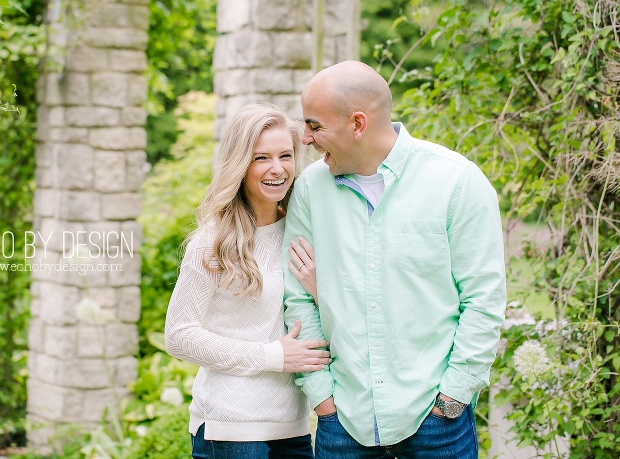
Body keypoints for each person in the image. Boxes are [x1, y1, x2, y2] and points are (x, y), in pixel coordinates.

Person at [282, 60, 507, 459]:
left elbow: (483, 300)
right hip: (343, 423)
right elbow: (298, 299)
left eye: (315, 126)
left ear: (357, 123)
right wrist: (323, 400)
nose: (305, 139)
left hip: (438, 423)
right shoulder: (310, 190)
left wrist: (452, 398)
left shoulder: (457, 182)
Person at [165, 103, 331, 459]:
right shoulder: (212, 243)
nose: (277, 169)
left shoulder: (301, 232)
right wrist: (271, 355)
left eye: (285, 155)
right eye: (261, 158)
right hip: (232, 429)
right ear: (240, 165)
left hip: (295, 426)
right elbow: (179, 336)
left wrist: (321, 291)